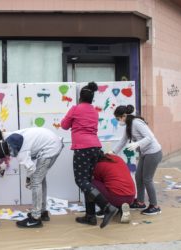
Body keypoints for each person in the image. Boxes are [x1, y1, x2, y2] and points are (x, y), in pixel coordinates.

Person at [61, 81, 118, 229]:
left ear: (80, 97)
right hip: (95, 147)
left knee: (81, 181)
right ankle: (90, 216)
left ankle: (107, 207)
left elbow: (64, 125)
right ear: (92, 99)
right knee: (88, 182)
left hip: (82, 148)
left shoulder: (75, 109)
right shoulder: (94, 111)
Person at [0, 127, 64, 228]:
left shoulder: (20, 152)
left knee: (36, 181)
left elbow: (31, 168)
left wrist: (29, 181)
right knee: (39, 179)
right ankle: (41, 212)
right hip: (52, 141)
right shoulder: (10, 139)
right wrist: (29, 178)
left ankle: (35, 218)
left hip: (50, 147)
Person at [109, 105, 162, 215]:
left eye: (118, 119)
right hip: (145, 153)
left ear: (124, 116)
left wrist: (137, 143)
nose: (118, 121)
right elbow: (123, 141)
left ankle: (155, 206)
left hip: (153, 152)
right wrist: (112, 153)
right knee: (138, 177)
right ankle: (140, 202)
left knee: (147, 179)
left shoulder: (136, 123)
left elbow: (150, 136)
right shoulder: (128, 125)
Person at [92, 151, 136, 223]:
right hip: (131, 196)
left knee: (90, 183)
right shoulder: (117, 158)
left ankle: (105, 208)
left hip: (116, 197)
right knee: (114, 185)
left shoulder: (98, 165)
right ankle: (121, 208)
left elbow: (100, 183)